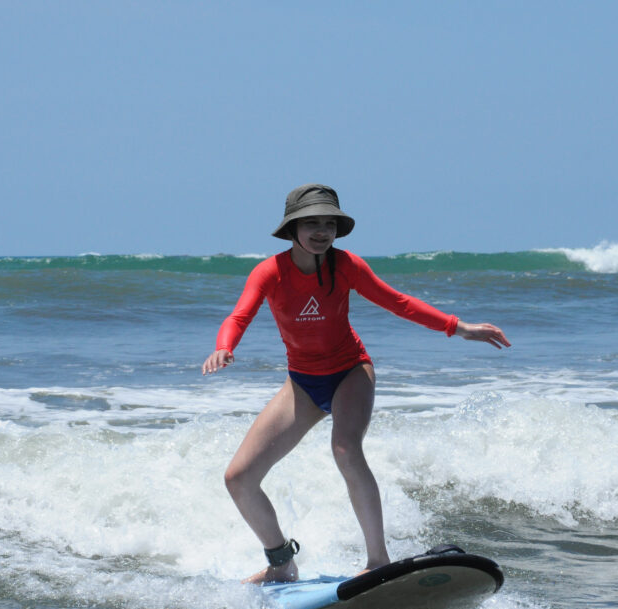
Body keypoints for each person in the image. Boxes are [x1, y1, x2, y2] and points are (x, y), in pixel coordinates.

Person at [202, 184, 510, 584]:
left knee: (345, 448)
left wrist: (459, 327)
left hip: (351, 372)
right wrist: (224, 347)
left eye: (329, 222)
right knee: (238, 478)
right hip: (302, 383)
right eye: (311, 222)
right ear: (292, 227)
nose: (321, 230)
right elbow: (239, 316)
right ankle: (281, 563)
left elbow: (396, 301)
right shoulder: (270, 272)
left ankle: (378, 560)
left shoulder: (345, 266)